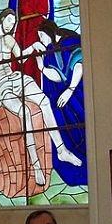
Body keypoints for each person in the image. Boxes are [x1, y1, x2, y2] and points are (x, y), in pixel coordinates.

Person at [0, 9, 81, 187]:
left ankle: (62, 150)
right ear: (1, 20)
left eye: (13, 22)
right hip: (2, 86)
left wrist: (32, 48)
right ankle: (35, 165)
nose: (11, 25)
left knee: (45, 101)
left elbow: (21, 59)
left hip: (16, 78)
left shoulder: (9, 40)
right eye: (8, 21)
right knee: (24, 112)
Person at [37, 19, 87, 186]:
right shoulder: (51, 50)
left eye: (41, 36)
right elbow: (58, 76)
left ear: (49, 32)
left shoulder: (69, 41)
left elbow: (79, 64)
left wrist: (70, 90)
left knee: (81, 125)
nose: (41, 40)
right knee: (54, 110)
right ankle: (65, 154)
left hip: (78, 91)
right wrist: (42, 69)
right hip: (64, 95)